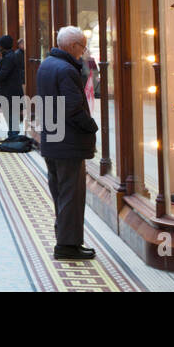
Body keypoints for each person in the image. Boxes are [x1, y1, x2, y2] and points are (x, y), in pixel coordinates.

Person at [37, 26, 100, 260]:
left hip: (53, 140)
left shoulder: (47, 64)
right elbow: (72, 107)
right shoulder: (65, 69)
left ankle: (66, 240)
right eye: (82, 47)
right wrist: (92, 127)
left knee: (61, 194)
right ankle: (67, 245)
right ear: (73, 46)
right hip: (68, 143)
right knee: (71, 195)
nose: (84, 52)